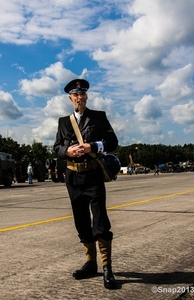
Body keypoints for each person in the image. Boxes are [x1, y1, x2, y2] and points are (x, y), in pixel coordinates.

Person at [53, 79, 118, 289]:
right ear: (70, 98)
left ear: (86, 96)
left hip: (93, 176)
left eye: (82, 94)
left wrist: (93, 145)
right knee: (81, 221)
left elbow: (112, 142)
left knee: (100, 220)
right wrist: (67, 151)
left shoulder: (98, 117)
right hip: (73, 178)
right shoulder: (63, 122)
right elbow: (56, 147)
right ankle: (91, 263)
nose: (79, 97)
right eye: (75, 94)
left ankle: (107, 268)